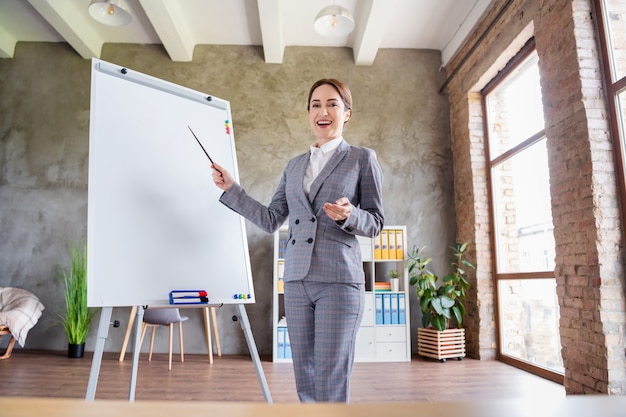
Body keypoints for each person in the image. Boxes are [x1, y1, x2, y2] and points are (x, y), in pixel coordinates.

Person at [211, 78, 384, 403]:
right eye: (316, 104)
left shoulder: (361, 158)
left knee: (330, 376)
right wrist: (232, 190)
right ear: (309, 113)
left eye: (332, 103)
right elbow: (271, 218)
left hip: (338, 281)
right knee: (304, 375)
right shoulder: (294, 166)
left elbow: (375, 222)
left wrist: (350, 216)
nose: (323, 111)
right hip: (296, 281)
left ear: (347, 113)